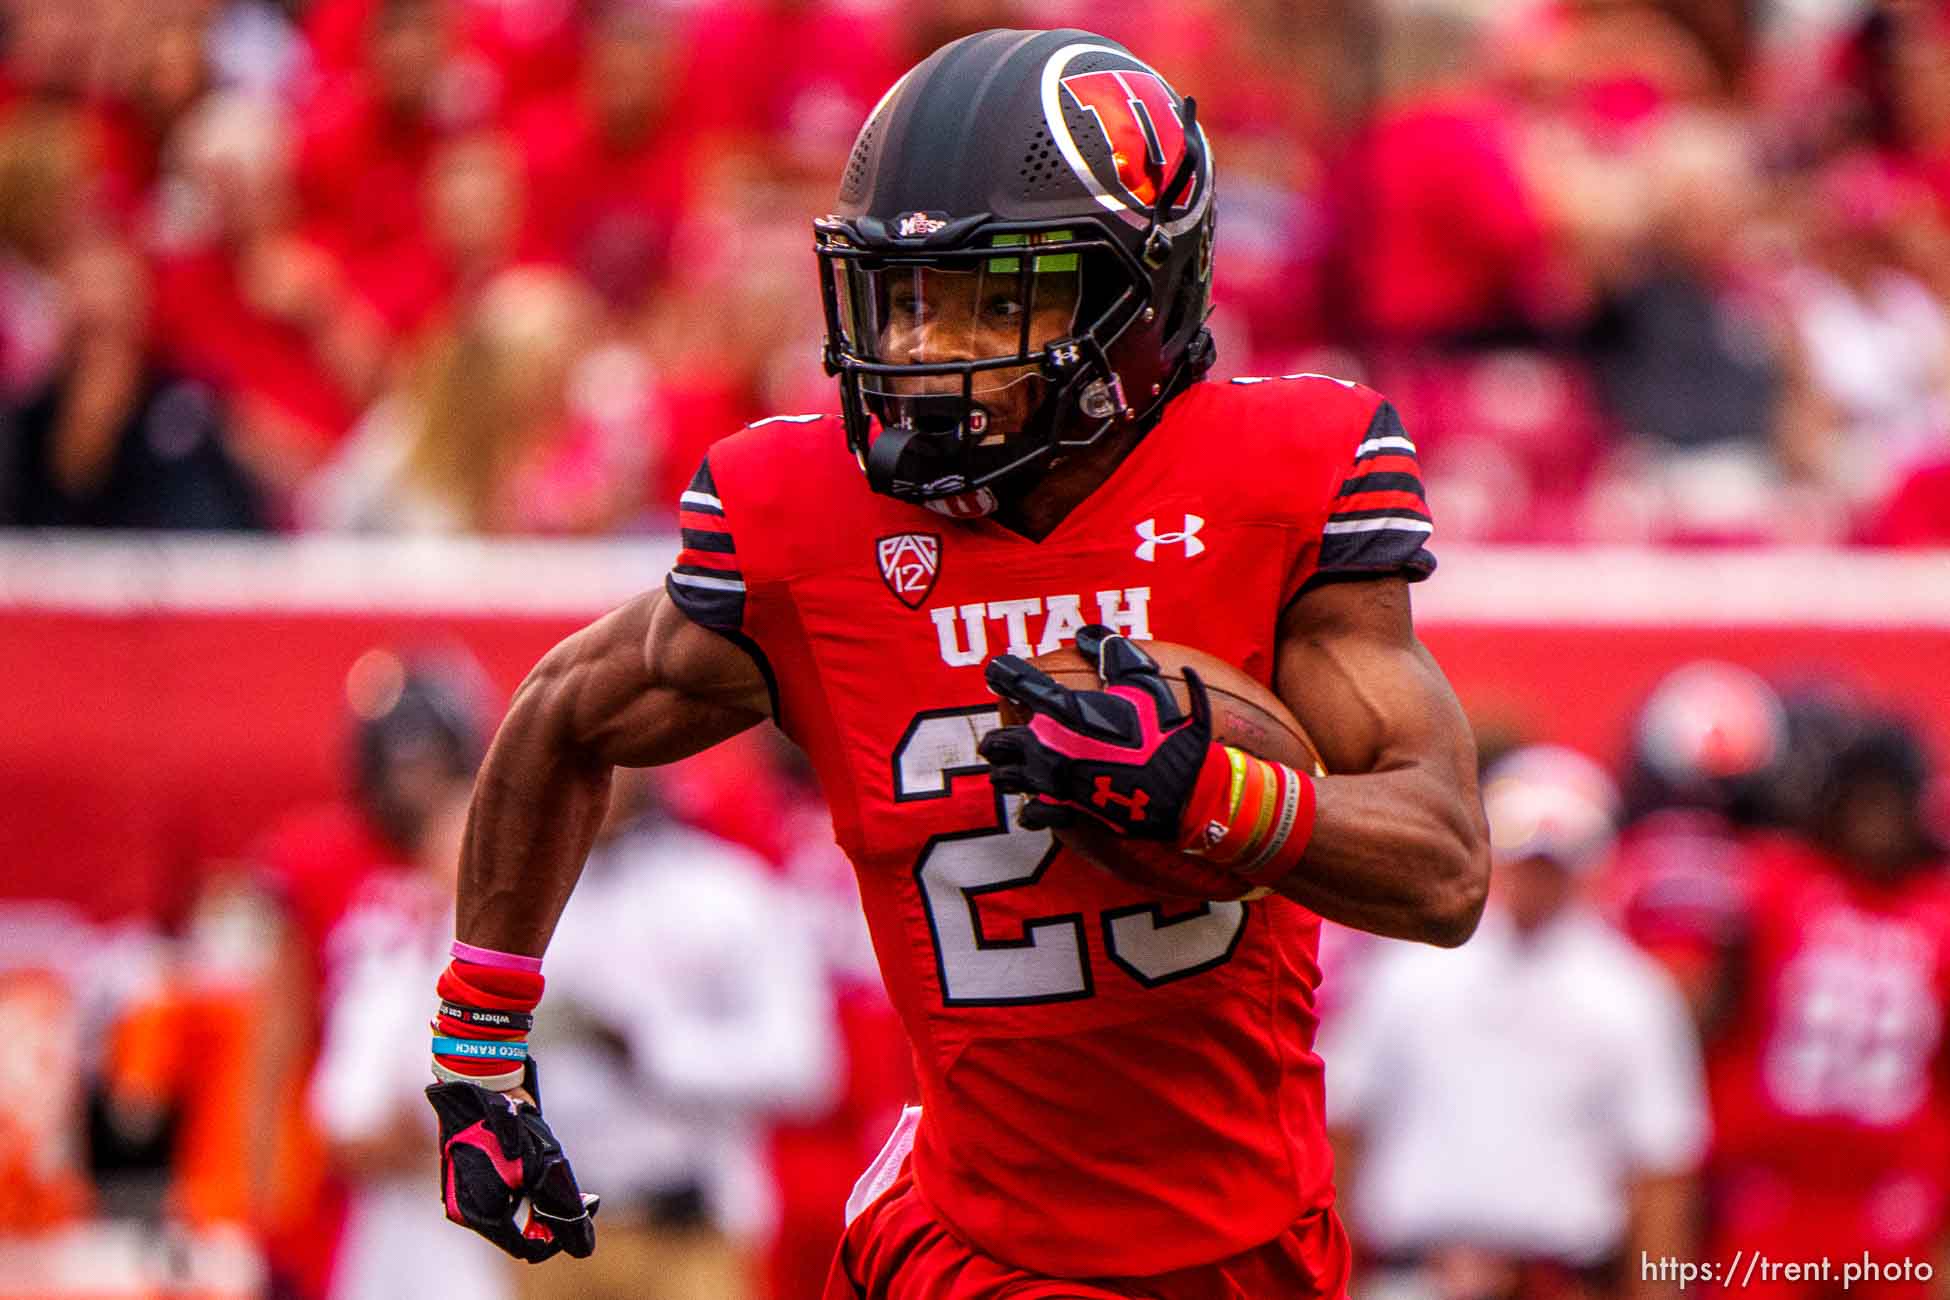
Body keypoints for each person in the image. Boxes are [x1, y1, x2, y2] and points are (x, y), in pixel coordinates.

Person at [422, 28, 1489, 1299]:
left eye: (996, 295)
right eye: (907, 297)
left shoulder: (1276, 480)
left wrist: (1215, 797)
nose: (927, 349)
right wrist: (479, 1043)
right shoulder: (803, 515)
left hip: (1246, 1235)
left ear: (1135, 298)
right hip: (969, 1238)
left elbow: (1445, 867)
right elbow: (562, 712)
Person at [1326, 745, 1708, 1300]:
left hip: (1556, 1279)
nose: (1534, 879)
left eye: (1553, 862)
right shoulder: (1408, 973)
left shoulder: (1631, 995)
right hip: (1414, 1276)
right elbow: (1346, 1127)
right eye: (1523, 856)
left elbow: (1662, 1172)